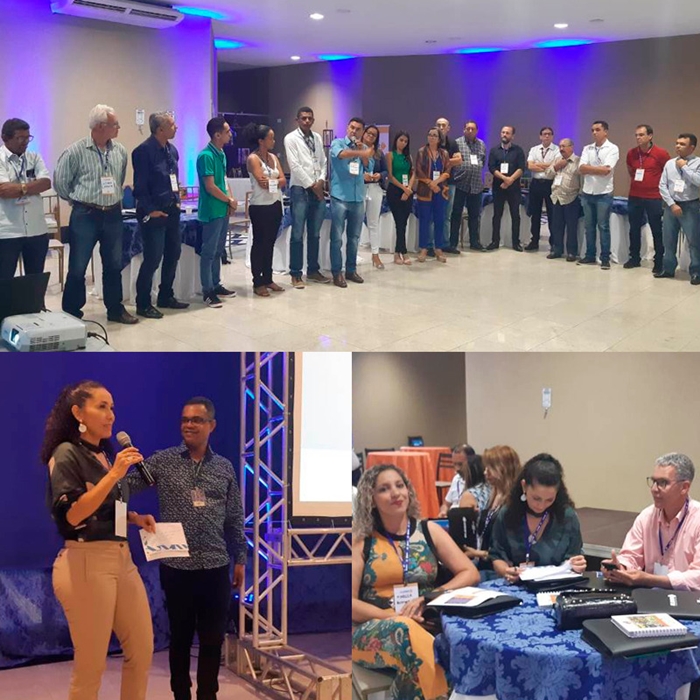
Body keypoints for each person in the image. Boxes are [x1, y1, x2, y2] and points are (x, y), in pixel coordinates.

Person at [42, 380, 156, 700]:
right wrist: (114, 475)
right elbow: (72, 515)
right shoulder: (66, 453)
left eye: (112, 408)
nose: (111, 415)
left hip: (122, 558)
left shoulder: (106, 455)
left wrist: (134, 519)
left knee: (142, 649)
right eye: (102, 407)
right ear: (78, 413)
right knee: (91, 665)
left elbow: (106, 507)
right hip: (86, 561)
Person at [128, 397, 246, 700]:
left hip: (216, 566)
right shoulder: (163, 461)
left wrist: (240, 558)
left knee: (212, 640)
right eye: (184, 420)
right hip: (177, 568)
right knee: (179, 638)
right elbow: (122, 488)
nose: (189, 425)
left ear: (211, 425)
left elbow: (234, 517)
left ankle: (208, 694)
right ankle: (180, 694)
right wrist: (132, 516)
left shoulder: (224, 467)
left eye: (196, 420)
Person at [352, 464, 479, 700]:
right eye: (384, 489)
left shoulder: (428, 530)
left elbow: (470, 572)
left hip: (425, 621)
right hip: (373, 628)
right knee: (407, 630)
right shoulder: (362, 541)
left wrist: (430, 596)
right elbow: (348, 603)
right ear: (371, 499)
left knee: (420, 665)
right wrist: (394, 616)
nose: (395, 493)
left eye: (400, 485)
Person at [54, 104, 137, 323]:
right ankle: (72, 312)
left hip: (113, 214)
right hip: (85, 214)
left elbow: (118, 180)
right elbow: (61, 183)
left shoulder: (120, 151)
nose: (118, 127)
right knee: (78, 266)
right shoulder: (75, 151)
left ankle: (115, 309)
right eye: (115, 124)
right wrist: (78, 200)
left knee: (113, 264)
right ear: (100, 126)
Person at [602, 453, 700, 590]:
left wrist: (651, 580)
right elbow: (631, 556)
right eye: (653, 481)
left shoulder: (697, 519)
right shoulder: (647, 516)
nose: (654, 489)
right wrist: (620, 568)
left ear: (684, 487)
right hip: (651, 597)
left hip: (688, 600)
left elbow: (697, 577)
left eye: (662, 483)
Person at [489, 453, 586, 583]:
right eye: (536, 498)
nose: (541, 505)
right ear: (524, 486)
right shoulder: (507, 514)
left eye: (549, 500)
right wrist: (506, 571)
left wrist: (577, 565)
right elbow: (497, 555)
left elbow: (574, 558)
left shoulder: (567, 518)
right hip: (514, 585)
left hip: (554, 586)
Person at [131, 111, 189, 319]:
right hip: (154, 212)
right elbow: (140, 186)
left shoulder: (172, 150)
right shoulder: (143, 151)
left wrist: (177, 197)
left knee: (173, 253)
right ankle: (143, 303)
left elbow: (173, 178)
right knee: (153, 258)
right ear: (160, 129)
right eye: (172, 125)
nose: (176, 128)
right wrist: (150, 210)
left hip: (172, 209)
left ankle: (166, 295)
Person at [283, 107, 330, 289]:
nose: (307, 121)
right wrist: (312, 185)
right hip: (300, 189)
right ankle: (295, 274)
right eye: (303, 118)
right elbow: (294, 166)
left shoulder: (317, 138)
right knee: (297, 233)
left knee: (315, 233)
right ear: (297, 120)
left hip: (317, 187)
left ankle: (313, 270)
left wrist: (321, 180)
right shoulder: (290, 138)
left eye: (310, 118)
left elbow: (323, 162)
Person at [0, 118, 52, 279]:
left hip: (36, 229)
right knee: (4, 281)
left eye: (28, 137)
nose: (25, 142)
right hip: (7, 231)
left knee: (35, 279)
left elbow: (46, 183)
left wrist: (19, 188)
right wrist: (31, 187)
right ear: (5, 138)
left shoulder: (34, 157)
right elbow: (4, 190)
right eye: (20, 138)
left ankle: (33, 299)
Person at [459, 445, 521, 575]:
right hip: (485, 564)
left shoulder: (514, 503)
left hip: (500, 570)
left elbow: (509, 551)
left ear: (503, 469)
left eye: (490, 468)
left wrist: (479, 553)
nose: (485, 472)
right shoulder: (494, 495)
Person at [196, 117, 238, 308]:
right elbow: (211, 186)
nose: (230, 134)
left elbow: (224, 180)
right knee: (209, 252)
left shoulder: (221, 153)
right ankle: (207, 290)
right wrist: (227, 200)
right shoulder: (206, 156)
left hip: (223, 208)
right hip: (212, 209)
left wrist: (231, 200)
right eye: (227, 131)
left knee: (219, 250)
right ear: (217, 134)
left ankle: (216, 283)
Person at [329, 117, 373, 287]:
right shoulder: (338, 143)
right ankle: (336, 272)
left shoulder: (364, 148)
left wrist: (363, 152)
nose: (354, 131)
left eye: (358, 129)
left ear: (362, 132)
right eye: (352, 127)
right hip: (340, 197)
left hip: (358, 198)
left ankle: (351, 270)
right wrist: (361, 153)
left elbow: (369, 167)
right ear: (347, 128)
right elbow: (341, 155)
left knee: (354, 238)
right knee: (337, 238)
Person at [244, 123, 286, 297]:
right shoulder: (253, 159)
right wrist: (274, 182)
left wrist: (272, 182)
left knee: (270, 243)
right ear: (261, 141)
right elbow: (262, 183)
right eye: (271, 138)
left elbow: (283, 180)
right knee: (259, 244)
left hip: (275, 204)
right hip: (260, 206)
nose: (273, 141)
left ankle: (268, 278)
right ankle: (258, 281)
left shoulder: (273, 157)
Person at [624, 124, 670, 273]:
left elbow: (667, 173)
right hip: (635, 196)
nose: (638, 138)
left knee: (656, 229)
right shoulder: (631, 153)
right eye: (636, 135)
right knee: (634, 228)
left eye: (641, 135)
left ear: (650, 136)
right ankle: (634, 258)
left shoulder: (661, 153)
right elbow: (631, 171)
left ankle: (659, 261)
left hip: (654, 197)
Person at [656, 133, 700, 285]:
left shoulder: (698, 163)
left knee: (694, 241)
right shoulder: (669, 163)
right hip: (671, 206)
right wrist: (671, 204)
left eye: (682, 144)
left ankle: (696, 272)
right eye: (677, 143)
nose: (678, 146)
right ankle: (668, 269)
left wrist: (684, 167)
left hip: (690, 206)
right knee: (668, 240)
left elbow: (698, 181)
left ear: (692, 147)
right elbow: (662, 185)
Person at [577, 120, 620, 270]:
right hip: (587, 192)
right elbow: (581, 168)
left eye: (597, 129)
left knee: (603, 226)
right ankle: (590, 255)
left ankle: (605, 258)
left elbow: (606, 170)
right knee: (589, 226)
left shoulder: (612, 148)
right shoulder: (587, 148)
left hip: (603, 193)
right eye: (592, 130)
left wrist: (590, 169)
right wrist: (596, 169)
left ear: (605, 132)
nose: (594, 132)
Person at [449, 120, 486, 252]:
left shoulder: (481, 144)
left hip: (476, 185)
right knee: (456, 215)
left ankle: (474, 242)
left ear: (476, 131)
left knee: (475, 216)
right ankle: (452, 243)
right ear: (464, 130)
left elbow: (482, 161)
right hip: (460, 184)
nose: (470, 131)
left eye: (473, 129)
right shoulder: (457, 143)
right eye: (468, 129)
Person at [415, 127, 451, 263]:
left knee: (439, 220)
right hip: (425, 191)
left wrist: (437, 183)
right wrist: (431, 183)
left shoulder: (444, 153)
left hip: (440, 190)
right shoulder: (421, 152)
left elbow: (447, 170)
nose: (431, 137)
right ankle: (424, 248)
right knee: (424, 220)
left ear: (439, 139)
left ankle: (438, 249)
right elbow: (418, 170)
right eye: (430, 135)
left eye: (435, 135)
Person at [487, 126, 526, 251]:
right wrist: (504, 179)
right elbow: (492, 168)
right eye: (503, 132)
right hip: (498, 187)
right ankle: (495, 241)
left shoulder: (518, 150)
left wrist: (510, 180)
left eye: (507, 133)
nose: (504, 135)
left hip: (514, 187)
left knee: (515, 215)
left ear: (512, 136)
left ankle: (516, 242)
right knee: (497, 215)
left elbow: (521, 168)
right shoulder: (494, 150)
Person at [547, 138, 582, 261]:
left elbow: (582, 180)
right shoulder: (557, 160)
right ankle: (557, 250)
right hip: (556, 197)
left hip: (571, 198)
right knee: (556, 226)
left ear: (571, 147)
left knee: (571, 227)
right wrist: (556, 167)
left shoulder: (578, 161)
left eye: (564, 146)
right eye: (560, 146)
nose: (561, 149)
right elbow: (548, 174)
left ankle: (571, 252)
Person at [525, 127, 559, 251]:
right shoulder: (534, 149)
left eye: (549, 134)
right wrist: (548, 166)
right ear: (540, 136)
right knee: (535, 213)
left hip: (550, 184)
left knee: (552, 214)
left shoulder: (557, 150)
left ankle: (554, 242)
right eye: (544, 134)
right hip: (536, 184)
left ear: (552, 136)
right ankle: (534, 241)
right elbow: (530, 166)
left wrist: (538, 164)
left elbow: (556, 166)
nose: (547, 136)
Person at [385, 131, 414, 266]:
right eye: (401, 140)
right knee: (399, 222)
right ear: (396, 140)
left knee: (404, 222)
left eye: (406, 141)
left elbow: (413, 174)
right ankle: (403, 252)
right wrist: (403, 188)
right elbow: (390, 176)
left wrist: (409, 189)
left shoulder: (409, 157)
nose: (403, 143)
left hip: (408, 191)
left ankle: (399, 251)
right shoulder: (390, 155)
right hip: (395, 190)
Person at [362, 125, 388, 269]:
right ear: (364, 133)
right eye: (369, 133)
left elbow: (385, 171)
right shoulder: (357, 149)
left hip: (375, 188)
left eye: (374, 135)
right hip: (360, 187)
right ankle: (352, 255)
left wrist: (380, 175)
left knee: (373, 223)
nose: (370, 136)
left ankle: (375, 255)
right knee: (356, 222)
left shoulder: (378, 153)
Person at [435, 118, 462, 254]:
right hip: (434, 183)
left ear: (448, 128)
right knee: (433, 214)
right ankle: (432, 244)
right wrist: (449, 161)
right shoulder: (432, 141)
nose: (441, 127)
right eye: (438, 125)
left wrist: (443, 161)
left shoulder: (452, 143)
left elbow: (459, 160)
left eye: (443, 125)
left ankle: (445, 243)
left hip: (449, 183)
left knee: (447, 215)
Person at [437, 444, 476, 517]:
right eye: (454, 464)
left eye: (460, 464)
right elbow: (446, 504)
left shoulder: (478, 482)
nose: (457, 469)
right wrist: (443, 511)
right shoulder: (456, 479)